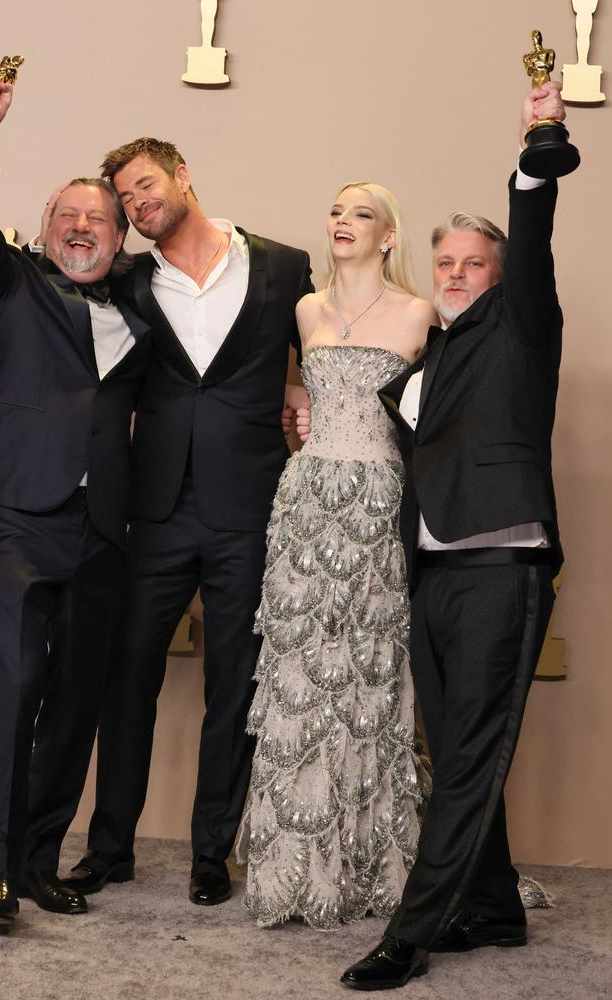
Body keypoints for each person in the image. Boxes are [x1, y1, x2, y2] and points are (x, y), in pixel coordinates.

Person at [342, 82, 566, 990]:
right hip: (432, 566)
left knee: (469, 749)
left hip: (500, 560)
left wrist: (534, 152)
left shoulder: (524, 323)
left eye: (474, 262)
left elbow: (535, 233)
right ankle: (495, 906)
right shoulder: (425, 359)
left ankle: (413, 930)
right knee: (459, 743)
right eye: (447, 262)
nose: (458, 273)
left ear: (500, 273)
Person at [64, 138, 313, 906]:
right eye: (128, 199)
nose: (139, 206)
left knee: (232, 685)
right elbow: (60, 274)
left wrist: (301, 383)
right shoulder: (130, 279)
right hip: (157, 507)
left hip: (249, 506)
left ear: (183, 177)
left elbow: (325, 344)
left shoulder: (284, 265)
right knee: (127, 677)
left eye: (146, 187)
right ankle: (111, 848)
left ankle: (213, 852)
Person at [0, 73, 150, 924]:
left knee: (78, 697)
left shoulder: (142, 309)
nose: (82, 229)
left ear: (119, 236)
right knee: (14, 685)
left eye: (98, 219)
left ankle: (40, 859)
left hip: (102, 525)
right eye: (67, 217)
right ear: (43, 229)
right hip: (11, 514)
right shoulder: (5, 282)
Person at [235, 181, 438, 928]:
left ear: (389, 235)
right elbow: (296, 394)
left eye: (361, 213)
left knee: (369, 676)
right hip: (306, 501)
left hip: (379, 501)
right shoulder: (305, 311)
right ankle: (294, 873)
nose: (342, 222)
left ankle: (367, 864)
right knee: (299, 675)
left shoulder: (421, 313)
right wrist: (302, 413)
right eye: (335, 211)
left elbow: (433, 415)